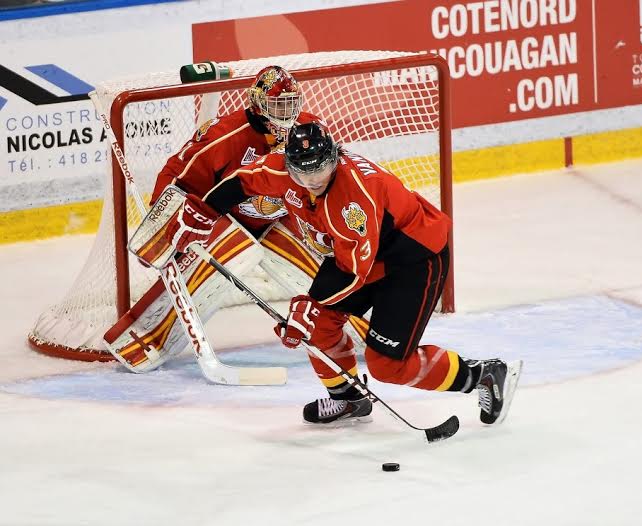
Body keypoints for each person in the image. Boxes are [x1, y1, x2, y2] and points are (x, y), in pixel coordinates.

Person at [161, 121, 521, 425]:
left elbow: (351, 272)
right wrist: (204, 211)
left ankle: (483, 375)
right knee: (316, 325)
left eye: (319, 169)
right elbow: (241, 182)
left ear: (334, 158)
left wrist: (308, 303)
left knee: (387, 365)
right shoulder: (283, 171)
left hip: (414, 258)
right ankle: (349, 399)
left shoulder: (353, 200)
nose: (312, 179)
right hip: (366, 258)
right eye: (303, 172)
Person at [108, 67, 369, 371]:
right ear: (257, 103)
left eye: (290, 104)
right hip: (223, 219)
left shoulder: (309, 131)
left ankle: (366, 331)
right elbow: (178, 175)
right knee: (225, 263)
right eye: (277, 105)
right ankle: (145, 338)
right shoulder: (224, 136)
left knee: (323, 270)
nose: (286, 114)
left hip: (276, 219)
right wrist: (162, 225)